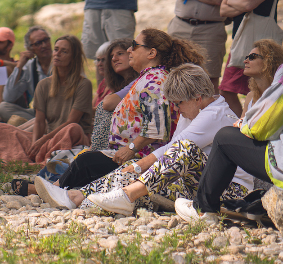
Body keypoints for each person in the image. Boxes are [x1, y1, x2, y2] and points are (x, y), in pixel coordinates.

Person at [38, 64, 253, 213]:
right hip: (197, 183)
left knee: (176, 153)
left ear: (197, 98)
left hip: (230, 189)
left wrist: (139, 167)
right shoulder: (196, 110)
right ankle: (78, 197)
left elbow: (175, 150)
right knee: (135, 173)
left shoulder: (214, 115)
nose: (177, 109)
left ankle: (107, 197)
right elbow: (169, 152)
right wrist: (136, 168)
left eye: (178, 103)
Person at [52, 29, 196, 191]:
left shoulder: (155, 80)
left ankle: (54, 189)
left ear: (151, 53)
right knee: (84, 161)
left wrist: (131, 149)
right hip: (132, 154)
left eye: (134, 46)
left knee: (85, 162)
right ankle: (54, 188)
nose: (129, 50)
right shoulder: (149, 78)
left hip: (141, 158)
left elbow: (157, 128)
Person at [176, 39, 283, 224]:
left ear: (269, 61)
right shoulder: (254, 94)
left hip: (274, 163)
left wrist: (244, 126)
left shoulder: (279, 87)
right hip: (269, 158)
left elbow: (260, 128)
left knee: (224, 137)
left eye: (252, 56)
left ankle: (203, 210)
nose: (246, 60)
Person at [0, 36, 93, 165]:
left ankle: (44, 156)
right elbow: (40, 121)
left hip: (70, 138)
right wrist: (35, 144)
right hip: (48, 138)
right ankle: (39, 156)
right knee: (0, 128)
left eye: (64, 51)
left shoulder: (83, 84)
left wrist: (42, 141)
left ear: (73, 57)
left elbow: (71, 121)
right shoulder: (44, 84)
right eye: (56, 49)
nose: (57, 54)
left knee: (73, 128)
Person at [219, 0, 282, 117]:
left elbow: (250, 4)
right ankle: (244, 122)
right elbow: (223, 10)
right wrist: (239, 3)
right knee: (226, 90)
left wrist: (232, 1)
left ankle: (256, 124)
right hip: (240, 41)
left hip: (261, 45)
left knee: (259, 90)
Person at [0, 26, 53, 125]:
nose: (44, 45)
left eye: (46, 40)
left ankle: (39, 127)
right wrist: (19, 66)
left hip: (62, 113)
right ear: (30, 49)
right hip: (40, 116)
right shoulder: (30, 67)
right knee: (3, 107)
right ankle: (42, 126)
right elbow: (9, 97)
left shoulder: (61, 61)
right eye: (38, 43)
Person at [90, 38, 136, 150]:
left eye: (120, 54)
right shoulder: (109, 84)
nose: (114, 59)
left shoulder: (139, 80)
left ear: (132, 54)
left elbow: (107, 104)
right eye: (111, 57)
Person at [92, 42, 112, 108]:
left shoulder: (116, 85)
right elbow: (92, 106)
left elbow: (97, 110)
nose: (99, 64)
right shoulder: (104, 82)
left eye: (103, 60)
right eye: (98, 60)